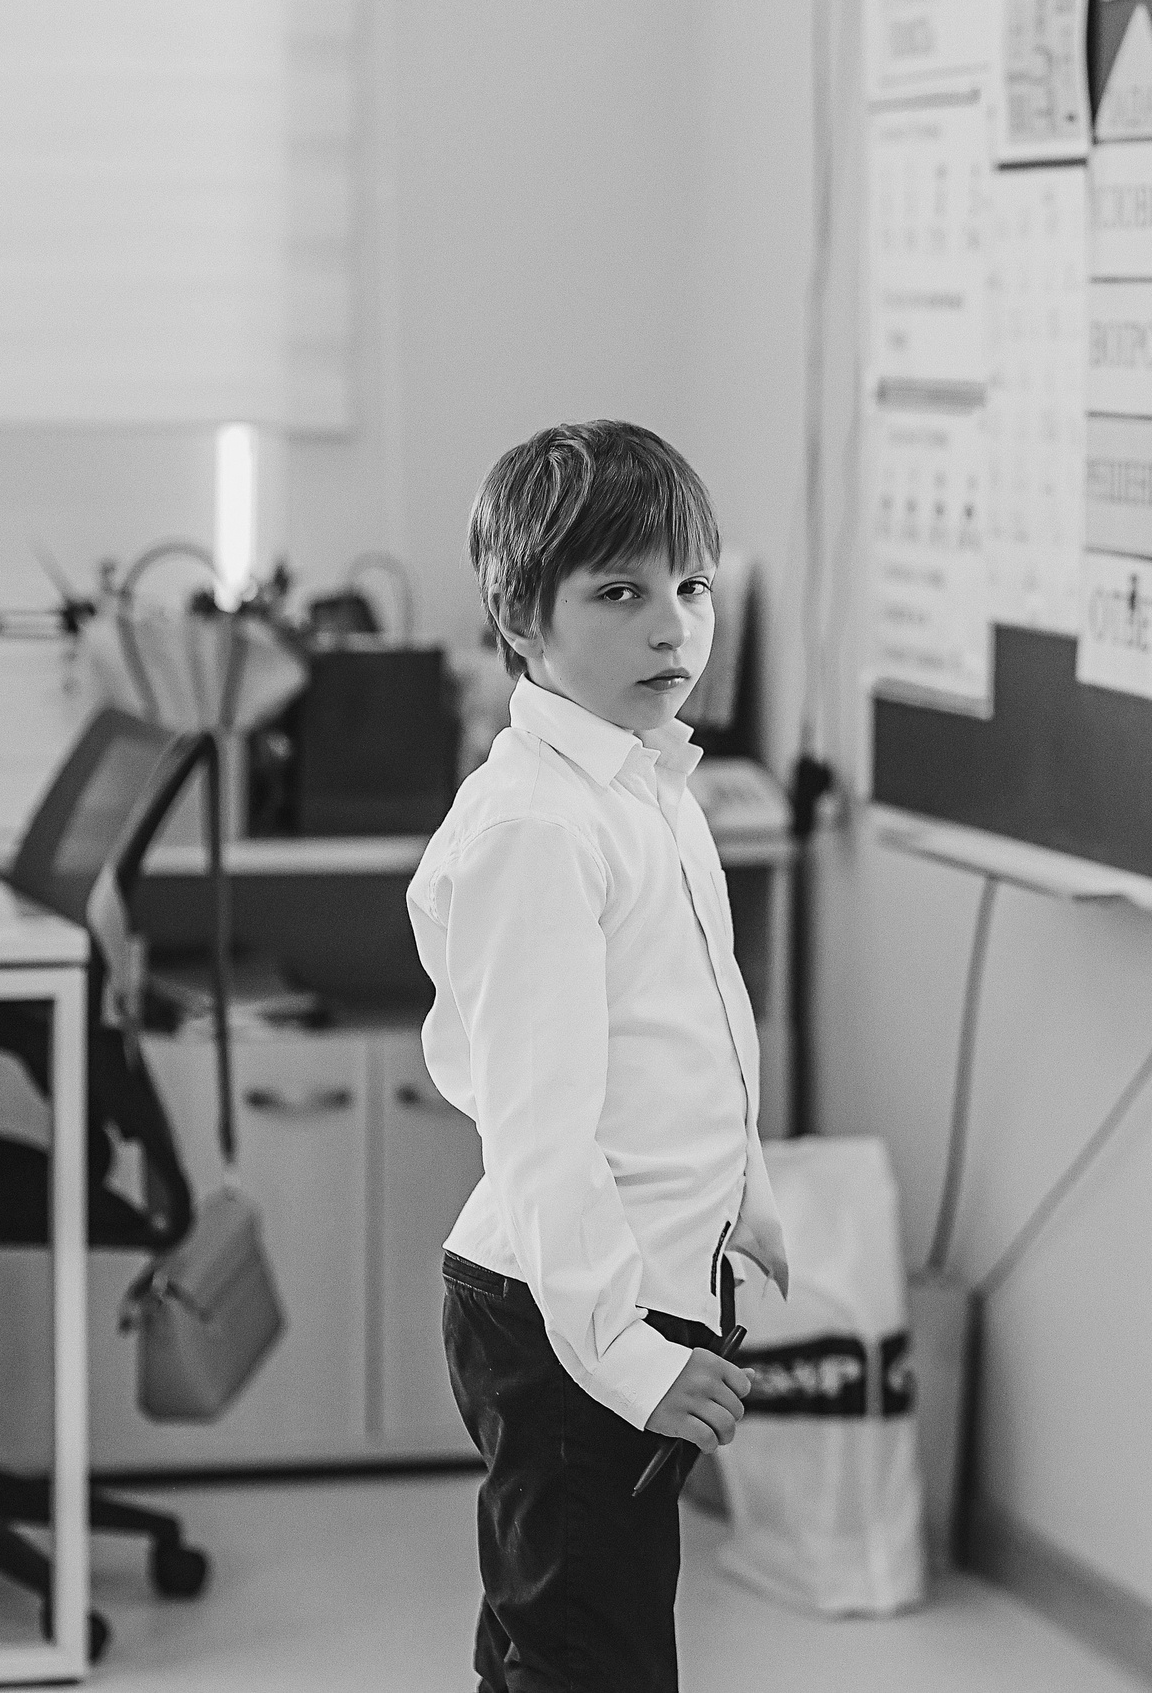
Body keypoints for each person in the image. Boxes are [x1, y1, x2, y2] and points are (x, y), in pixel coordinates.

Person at [408, 420, 790, 1691]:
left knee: (557, 1644)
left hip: (631, 1287)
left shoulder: (646, 783)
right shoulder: (535, 827)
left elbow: (697, 1026)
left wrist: (747, 1202)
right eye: (618, 592)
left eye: (690, 587)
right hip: (565, 1318)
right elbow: (538, 1136)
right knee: (588, 1662)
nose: (672, 629)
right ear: (522, 617)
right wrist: (627, 1357)